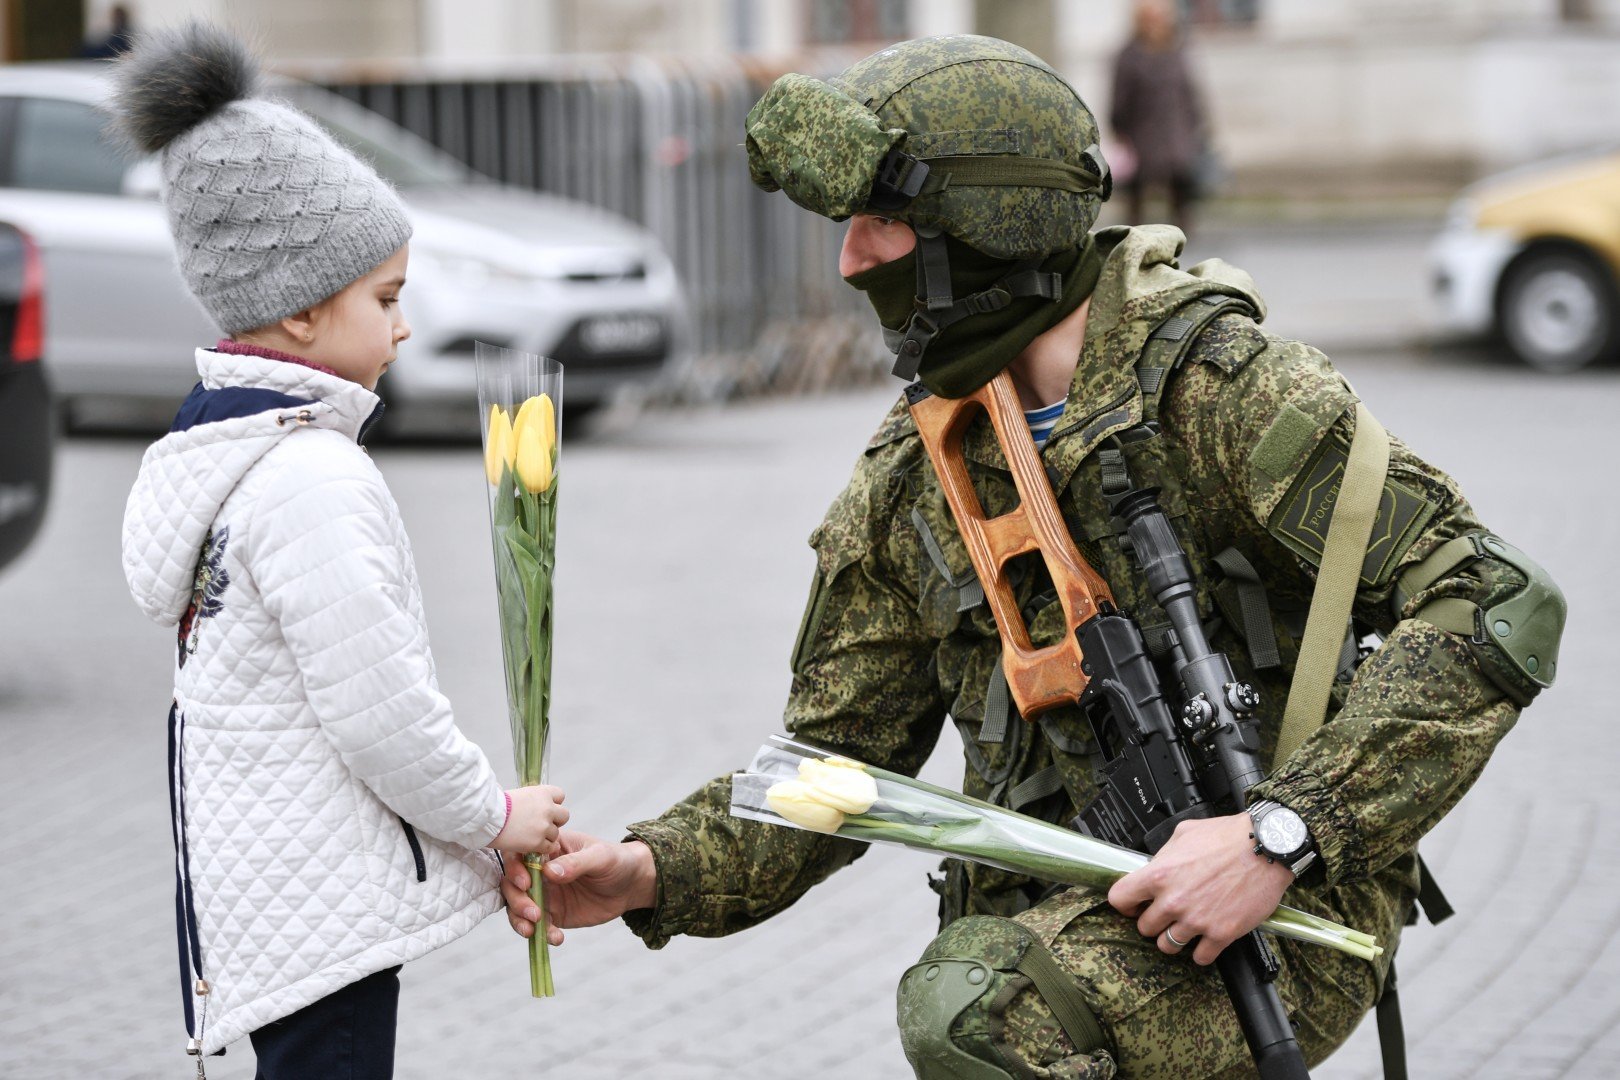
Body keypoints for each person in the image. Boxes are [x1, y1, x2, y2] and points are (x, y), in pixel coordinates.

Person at [501, 35, 1565, 1078]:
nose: (849, 258)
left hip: (1286, 914)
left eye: (881, 219)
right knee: (987, 998)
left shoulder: (1218, 391)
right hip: (1064, 922)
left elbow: (1496, 600)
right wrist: (646, 872)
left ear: (984, 227)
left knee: (979, 1012)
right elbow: (840, 767)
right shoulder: (917, 471)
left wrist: (1278, 835)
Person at [114, 24, 567, 1079]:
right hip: (321, 912)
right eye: (387, 298)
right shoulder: (311, 477)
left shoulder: (225, 459)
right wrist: (498, 816)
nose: (403, 327)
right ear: (307, 311)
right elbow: (383, 713)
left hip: (266, 893)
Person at [1111, 0, 1209, 233]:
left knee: (1181, 187)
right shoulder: (1129, 55)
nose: (1157, 23)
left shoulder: (1176, 50)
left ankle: (1182, 234)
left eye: (1161, 17)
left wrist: (1198, 124)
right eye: (1151, 18)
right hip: (1142, 132)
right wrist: (1119, 129)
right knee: (1137, 191)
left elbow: (1189, 91)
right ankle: (1133, 238)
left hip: (1176, 132)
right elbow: (1119, 97)